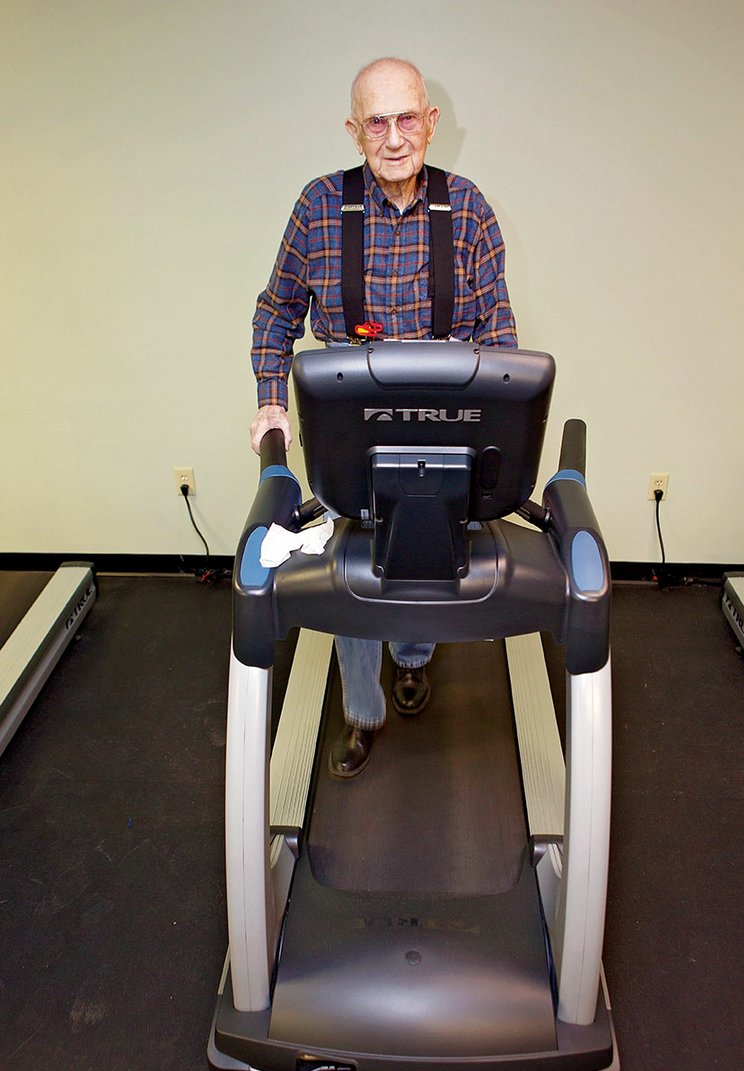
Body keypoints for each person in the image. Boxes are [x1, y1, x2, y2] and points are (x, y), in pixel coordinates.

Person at [249, 57, 517, 778]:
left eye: (408, 118)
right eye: (377, 121)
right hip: (352, 425)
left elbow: (498, 327)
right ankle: (362, 710)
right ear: (354, 128)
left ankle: (413, 656)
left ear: (431, 122)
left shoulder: (469, 209)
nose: (394, 137)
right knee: (354, 565)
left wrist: (501, 423)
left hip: (445, 422)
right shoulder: (317, 208)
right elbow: (276, 314)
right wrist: (272, 399)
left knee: (427, 556)